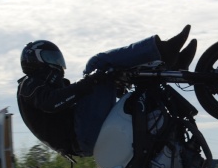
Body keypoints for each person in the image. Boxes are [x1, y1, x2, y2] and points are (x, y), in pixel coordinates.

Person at [17, 25, 197, 158]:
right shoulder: (29, 85)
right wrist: (91, 81)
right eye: (50, 58)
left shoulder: (43, 86)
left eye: (56, 58)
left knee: (130, 90)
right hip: (82, 137)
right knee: (97, 64)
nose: (56, 63)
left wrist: (108, 84)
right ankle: (162, 51)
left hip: (84, 137)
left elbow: (71, 102)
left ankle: (171, 65)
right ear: (33, 60)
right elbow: (52, 103)